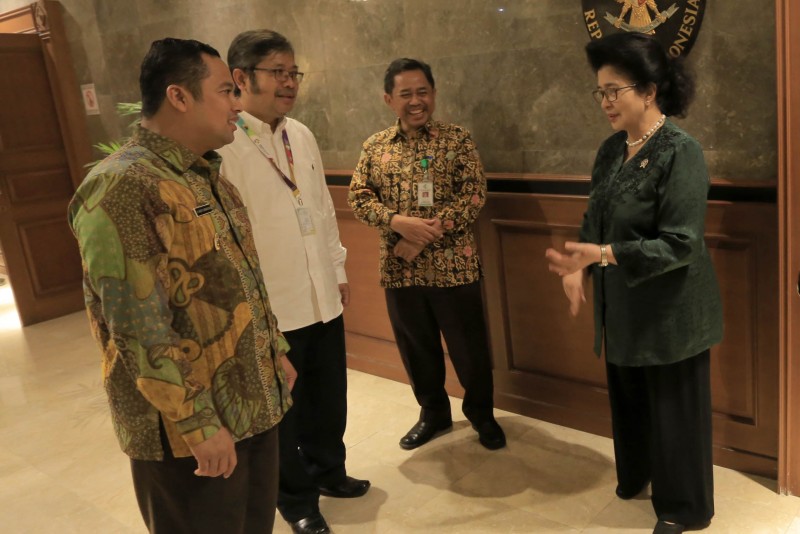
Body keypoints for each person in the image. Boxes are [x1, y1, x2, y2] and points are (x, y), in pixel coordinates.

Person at [68, 38, 296, 534]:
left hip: (250, 403)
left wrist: (273, 349)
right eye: (226, 91)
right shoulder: (124, 185)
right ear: (179, 96)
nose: (237, 104)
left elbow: (239, 280)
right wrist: (196, 422)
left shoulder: (206, 176)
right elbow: (138, 327)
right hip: (186, 434)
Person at [545, 32, 722, 534]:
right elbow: (595, 217)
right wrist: (579, 265)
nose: (604, 102)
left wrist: (603, 255)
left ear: (648, 91)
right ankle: (638, 474)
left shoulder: (680, 152)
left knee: (673, 410)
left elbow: (681, 243)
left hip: (672, 310)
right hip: (622, 303)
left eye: (614, 90)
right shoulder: (611, 150)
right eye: (599, 92)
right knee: (630, 398)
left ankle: (683, 507)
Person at [219, 29, 369, 534]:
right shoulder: (225, 145)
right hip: (274, 306)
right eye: (277, 72)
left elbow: (321, 209)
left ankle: (330, 472)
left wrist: (337, 269)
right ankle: (297, 501)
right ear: (241, 78)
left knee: (328, 396)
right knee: (283, 411)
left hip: (320, 294)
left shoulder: (299, 133)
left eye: (293, 73)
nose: (289, 82)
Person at [349, 58, 506, 453]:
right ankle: (433, 413)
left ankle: (482, 415)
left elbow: (473, 194)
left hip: (454, 268)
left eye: (423, 92)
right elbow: (359, 197)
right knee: (417, 349)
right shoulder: (375, 147)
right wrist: (396, 222)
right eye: (406, 94)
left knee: (470, 350)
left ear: (433, 94)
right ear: (389, 99)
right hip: (400, 270)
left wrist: (421, 237)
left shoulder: (457, 139)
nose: (416, 100)